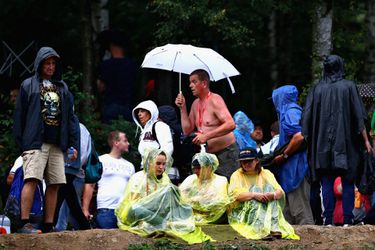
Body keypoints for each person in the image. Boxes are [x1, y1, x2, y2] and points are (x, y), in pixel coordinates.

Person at [13, 47, 79, 233]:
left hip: (57, 143)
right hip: (35, 141)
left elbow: (71, 119)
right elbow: (20, 116)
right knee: (32, 179)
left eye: (53, 63)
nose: (50, 67)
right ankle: (24, 223)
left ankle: (48, 224)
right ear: (40, 64)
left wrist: (72, 144)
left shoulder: (63, 87)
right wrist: (21, 144)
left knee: (56, 183)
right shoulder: (28, 85)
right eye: (47, 63)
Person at [302, 55, 372, 226]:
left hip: (321, 146)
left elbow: (306, 119)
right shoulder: (349, 87)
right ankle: (348, 220)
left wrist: (309, 143)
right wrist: (366, 141)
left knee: (326, 181)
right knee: (348, 181)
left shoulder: (316, 89)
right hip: (346, 144)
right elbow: (359, 116)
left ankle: (328, 221)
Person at [115, 148, 211, 244]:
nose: (161, 167)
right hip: (135, 215)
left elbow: (169, 204)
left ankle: (167, 224)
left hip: (155, 217)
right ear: (149, 163)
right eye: (158, 163)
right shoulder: (138, 178)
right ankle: (166, 225)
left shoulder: (165, 178)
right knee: (137, 208)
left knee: (182, 202)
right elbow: (134, 205)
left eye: (163, 164)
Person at [175, 69, 238, 180]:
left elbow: (230, 124)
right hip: (207, 155)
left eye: (194, 82)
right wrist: (183, 108)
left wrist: (206, 136)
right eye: (190, 82)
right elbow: (187, 130)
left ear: (204, 83)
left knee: (227, 188)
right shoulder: (195, 104)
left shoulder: (215, 100)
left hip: (226, 153)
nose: (190, 85)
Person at [228, 148, 299, 240]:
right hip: (243, 211)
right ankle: (260, 228)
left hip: (265, 206)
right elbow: (236, 196)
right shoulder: (236, 175)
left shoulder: (266, 173)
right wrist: (255, 195)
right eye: (243, 162)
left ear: (257, 160)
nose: (246, 164)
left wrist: (271, 195)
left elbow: (279, 192)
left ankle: (274, 227)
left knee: (269, 189)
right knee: (255, 190)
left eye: (249, 161)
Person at [271, 85, 314, 225]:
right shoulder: (288, 111)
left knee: (300, 210)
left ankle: (311, 244)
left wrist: (284, 155)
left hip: (297, 167)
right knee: (288, 211)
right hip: (290, 168)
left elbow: (299, 136)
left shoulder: (291, 112)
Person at [82, 131, 135, 229]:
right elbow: (90, 184)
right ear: (116, 143)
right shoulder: (101, 160)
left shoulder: (130, 166)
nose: (128, 144)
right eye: (125, 141)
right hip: (106, 210)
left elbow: (133, 190)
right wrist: (85, 209)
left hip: (125, 211)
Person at [54, 123, 92, 231]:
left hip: (70, 166)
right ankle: (84, 226)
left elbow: (83, 149)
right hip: (68, 166)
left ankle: (51, 224)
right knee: (69, 197)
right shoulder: (74, 126)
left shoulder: (78, 127)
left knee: (65, 197)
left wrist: (72, 163)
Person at [179, 152, 230, 225]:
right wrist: (200, 199)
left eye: (199, 168)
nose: (196, 171)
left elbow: (219, 203)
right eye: (194, 168)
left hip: (214, 218)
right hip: (192, 217)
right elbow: (179, 198)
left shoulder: (220, 180)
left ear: (209, 167)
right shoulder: (191, 179)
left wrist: (195, 201)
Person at [97, 32, 137, 123]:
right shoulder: (132, 65)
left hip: (110, 106)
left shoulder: (106, 65)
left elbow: (101, 87)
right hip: (128, 107)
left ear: (111, 46)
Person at [132, 100, 173, 168]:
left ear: (151, 112)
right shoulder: (144, 131)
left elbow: (168, 148)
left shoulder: (160, 126)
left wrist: (160, 167)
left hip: (158, 170)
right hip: (145, 169)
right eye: (138, 112)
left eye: (142, 111)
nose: (139, 114)